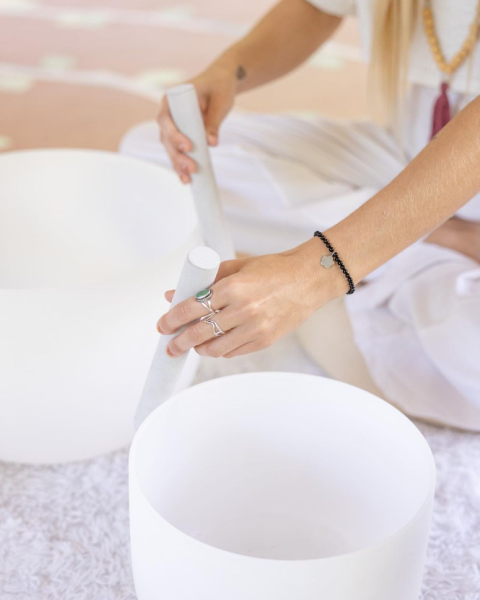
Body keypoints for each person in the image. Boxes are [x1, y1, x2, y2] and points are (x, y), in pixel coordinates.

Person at [121, 0, 480, 426]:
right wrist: (230, 69)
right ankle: (431, 236)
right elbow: (319, 6)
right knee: (154, 159)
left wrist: (316, 273)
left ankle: (385, 250)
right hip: (412, 152)